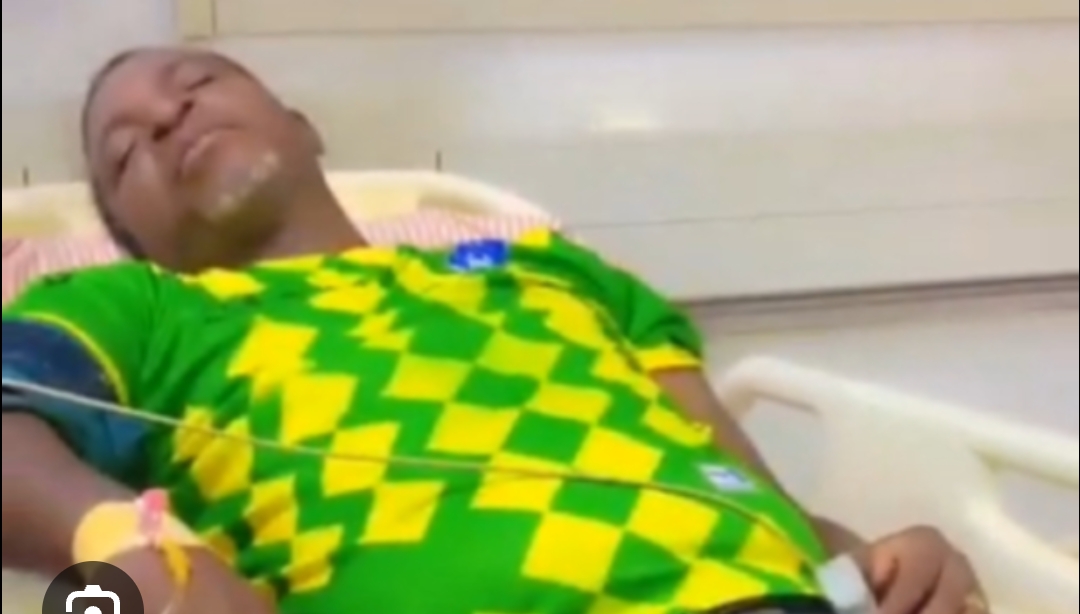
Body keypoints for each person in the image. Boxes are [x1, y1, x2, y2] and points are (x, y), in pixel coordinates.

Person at [2, 47, 985, 614]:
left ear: (301, 125)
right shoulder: (136, 308)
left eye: (197, 80)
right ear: (134, 237)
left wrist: (882, 562)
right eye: (125, 149)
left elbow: (740, 481)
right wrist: (124, 541)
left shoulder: (553, 270)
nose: (167, 116)